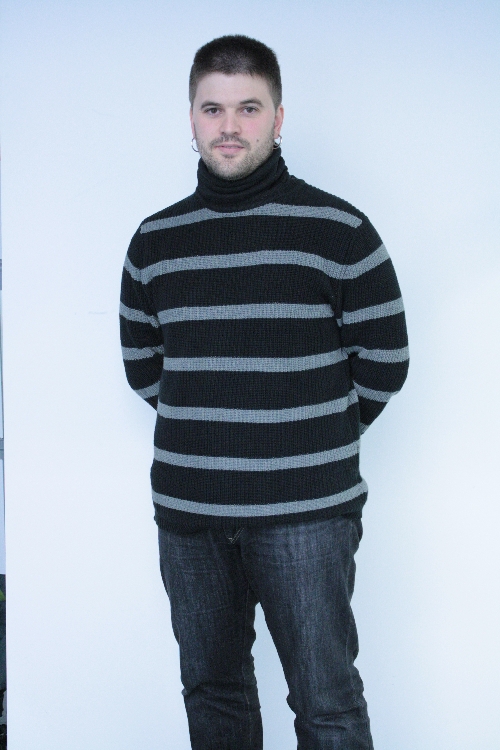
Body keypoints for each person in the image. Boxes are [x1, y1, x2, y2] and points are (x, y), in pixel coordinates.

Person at [120, 34, 409, 750]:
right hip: (191, 516)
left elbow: (386, 361)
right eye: (212, 108)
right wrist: (225, 425)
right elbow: (146, 369)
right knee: (213, 695)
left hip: (307, 515)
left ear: (278, 118)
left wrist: (307, 434)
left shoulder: (339, 230)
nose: (229, 126)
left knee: (326, 702)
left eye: (248, 108)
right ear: (191, 117)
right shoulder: (155, 243)